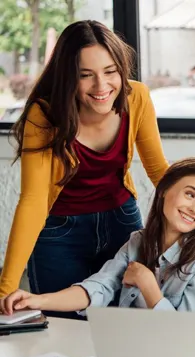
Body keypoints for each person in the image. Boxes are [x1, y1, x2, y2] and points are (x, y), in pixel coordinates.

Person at [0, 20, 169, 310]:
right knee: (63, 329)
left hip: (122, 223)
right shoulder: (44, 114)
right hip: (59, 234)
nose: (101, 86)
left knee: (125, 323)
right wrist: (6, 287)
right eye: (85, 75)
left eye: (110, 71)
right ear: (68, 77)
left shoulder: (136, 97)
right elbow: (34, 200)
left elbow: (159, 171)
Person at [0, 158, 195, 316]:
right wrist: (37, 301)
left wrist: (148, 285)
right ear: (164, 190)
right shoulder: (138, 242)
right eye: (190, 194)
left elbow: (188, 333)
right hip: (131, 354)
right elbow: (99, 287)